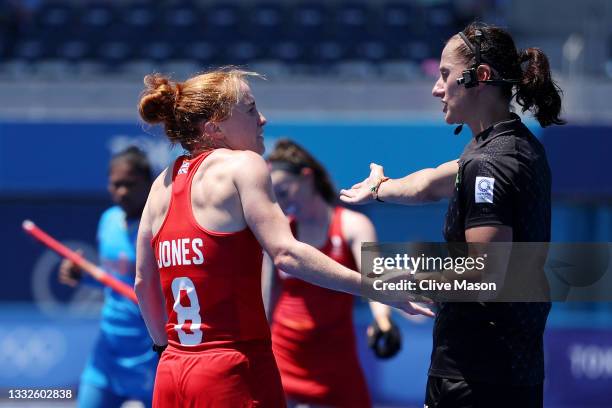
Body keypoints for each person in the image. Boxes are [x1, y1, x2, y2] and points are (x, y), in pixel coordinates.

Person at [134, 68, 433, 408]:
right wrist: (377, 288)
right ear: (214, 127)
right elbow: (287, 255)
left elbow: (144, 282)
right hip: (231, 372)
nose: (262, 119)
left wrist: (162, 347)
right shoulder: (243, 166)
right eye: (249, 109)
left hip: (172, 373)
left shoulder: (162, 184)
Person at [340, 22, 565, 408]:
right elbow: (428, 184)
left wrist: (404, 279)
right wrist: (378, 188)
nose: (436, 88)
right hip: (512, 369)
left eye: (445, 75)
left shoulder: (488, 164)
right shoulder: (513, 145)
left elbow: (484, 273)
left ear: (479, 77)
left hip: (476, 376)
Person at [265, 139, 402, 408]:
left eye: (283, 191)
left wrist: (383, 321)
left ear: (307, 178)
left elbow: (375, 280)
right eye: (275, 197)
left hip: (338, 365)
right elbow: (265, 303)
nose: (280, 203)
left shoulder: (353, 225)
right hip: (284, 362)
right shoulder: (279, 235)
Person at [58, 146, 157, 408]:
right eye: (116, 184)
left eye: (130, 184)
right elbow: (112, 280)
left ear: (148, 183)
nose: (122, 191)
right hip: (108, 352)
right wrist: (82, 275)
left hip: (153, 354)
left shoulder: (161, 225)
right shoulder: (108, 220)